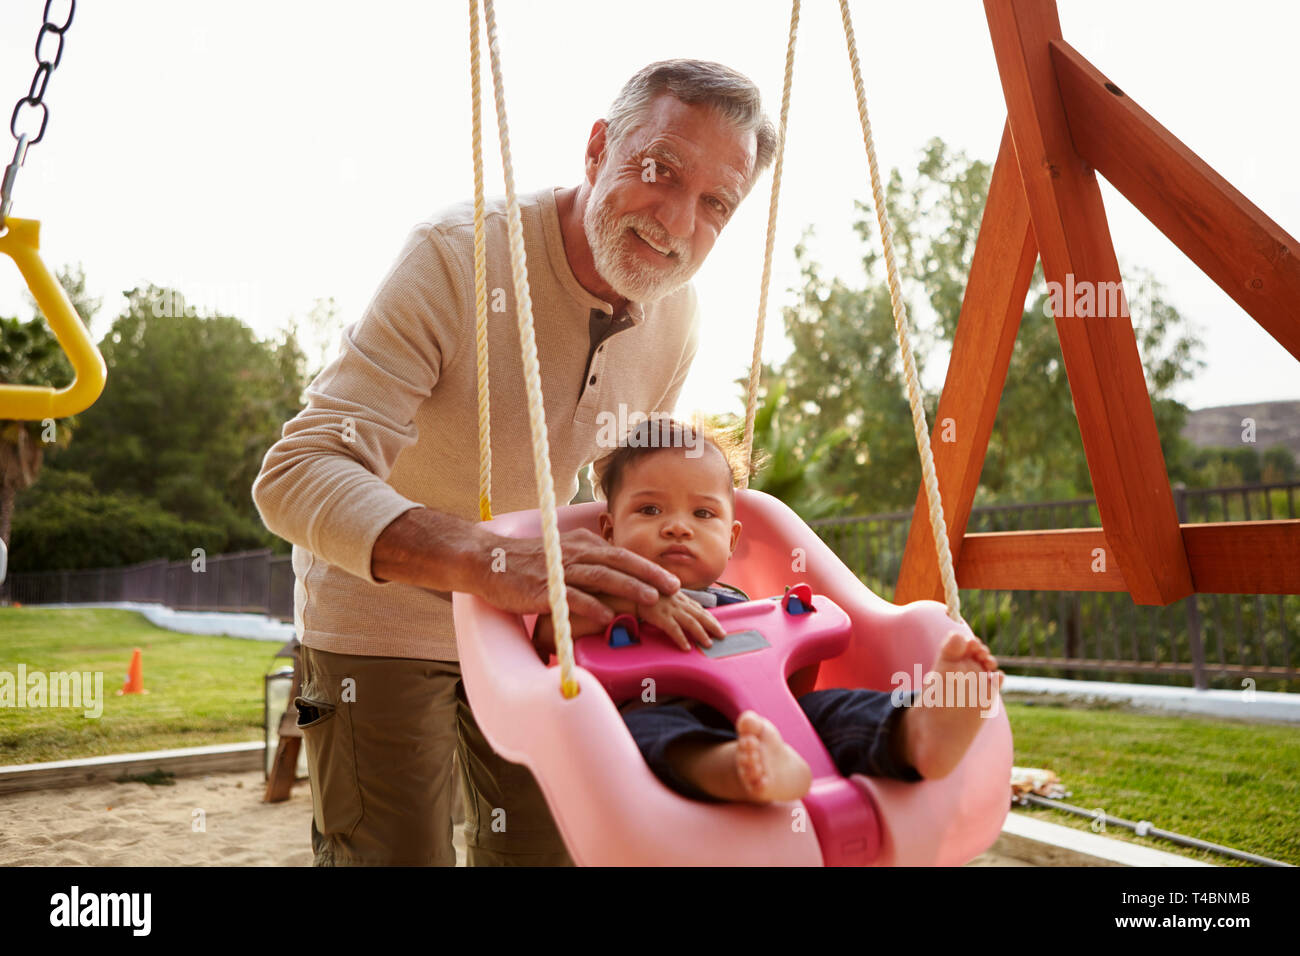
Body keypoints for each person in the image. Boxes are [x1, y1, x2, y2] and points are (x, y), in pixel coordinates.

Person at [251, 60, 779, 865]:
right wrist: (487, 558)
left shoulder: (678, 316)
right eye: (660, 170)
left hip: (535, 619)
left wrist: (673, 568)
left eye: (715, 203)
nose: (677, 222)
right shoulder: (456, 256)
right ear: (598, 148)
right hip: (379, 614)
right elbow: (297, 470)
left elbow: (623, 490)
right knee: (396, 854)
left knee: (548, 850)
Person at [532, 418, 1005, 804]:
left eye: (702, 514)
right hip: (657, 715)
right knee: (649, 731)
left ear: (732, 539)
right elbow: (550, 635)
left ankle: (916, 731)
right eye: (651, 510)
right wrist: (637, 600)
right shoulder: (603, 594)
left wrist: (792, 690)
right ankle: (736, 770)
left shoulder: (742, 605)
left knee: (831, 710)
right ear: (608, 531)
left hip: (766, 723)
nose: (678, 528)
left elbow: (789, 679)